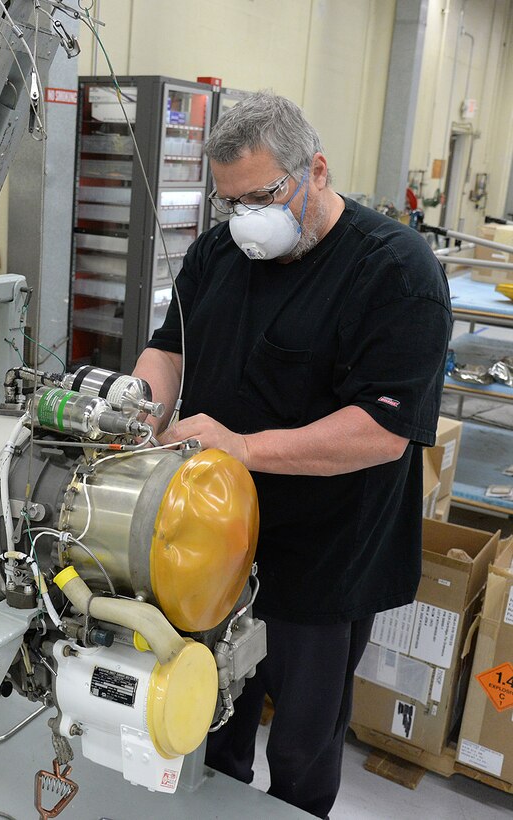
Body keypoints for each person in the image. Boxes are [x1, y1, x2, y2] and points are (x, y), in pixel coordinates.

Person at [132, 91, 451, 818]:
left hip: (326, 554)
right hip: (211, 540)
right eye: (230, 201)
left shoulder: (395, 271)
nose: (247, 218)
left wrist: (240, 446)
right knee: (208, 721)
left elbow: (381, 430)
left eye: (263, 195)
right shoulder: (221, 250)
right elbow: (167, 347)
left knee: (302, 748)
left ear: (316, 169)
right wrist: (139, 406)